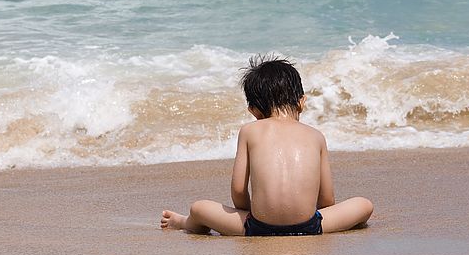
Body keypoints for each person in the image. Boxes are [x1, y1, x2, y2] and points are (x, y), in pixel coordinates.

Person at [160, 55, 373, 236]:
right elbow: (327, 199)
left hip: (257, 227)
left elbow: (238, 191)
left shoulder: (249, 131)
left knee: (199, 208)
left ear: (254, 111)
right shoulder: (316, 136)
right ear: (302, 102)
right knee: (364, 205)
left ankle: (184, 223)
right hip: (310, 226)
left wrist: (250, 213)